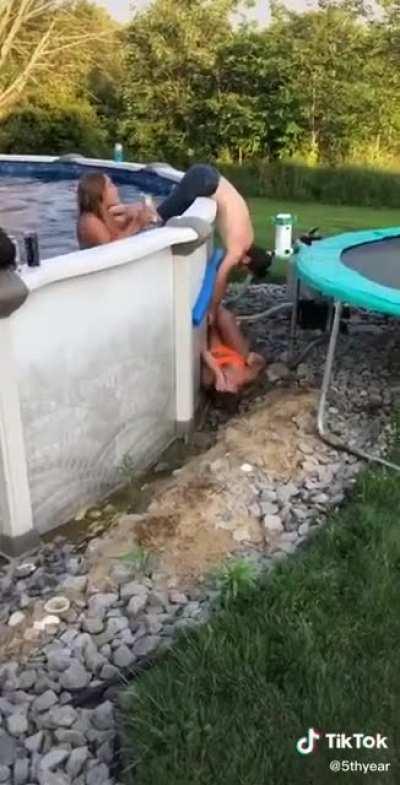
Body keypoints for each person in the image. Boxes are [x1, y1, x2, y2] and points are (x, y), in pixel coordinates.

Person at [77, 173, 156, 249]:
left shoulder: (104, 213)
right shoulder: (90, 221)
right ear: (99, 192)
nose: (116, 188)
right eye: (110, 185)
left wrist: (134, 215)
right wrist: (137, 223)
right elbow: (111, 250)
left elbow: (118, 233)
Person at [201, 305, 265, 394]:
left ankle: (213, 308)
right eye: (232, 386)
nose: (229, 382)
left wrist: (219, 374)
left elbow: (205, 354)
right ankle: (215, 307)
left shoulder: (210, 378)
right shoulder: (247, 376)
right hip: (237, 352)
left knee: (214, 319)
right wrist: (254, 359)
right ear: (236, 389)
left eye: (225, 385)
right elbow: (260, 364)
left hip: (217, 345)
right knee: (224, 319)